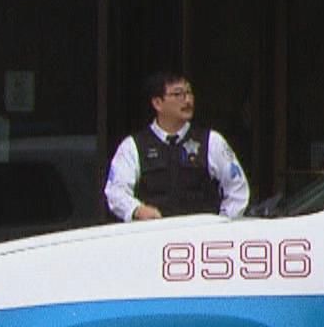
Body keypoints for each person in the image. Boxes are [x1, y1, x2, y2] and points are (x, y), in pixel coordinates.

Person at [105, 72, 250, 221]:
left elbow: (237, 189)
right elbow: (116, 191)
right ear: (157, 103)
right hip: (154, 236)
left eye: (189, 93)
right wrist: (137, 209)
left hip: (200, 237)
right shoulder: (133, 146)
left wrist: (222, 223)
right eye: (178, 94)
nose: (187, 100)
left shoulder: (212, 141)